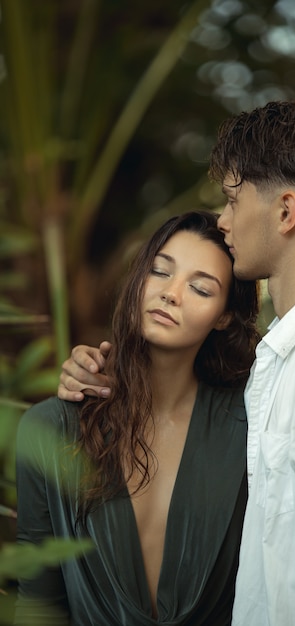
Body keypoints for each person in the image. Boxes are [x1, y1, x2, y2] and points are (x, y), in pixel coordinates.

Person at [58, 100, 295, 626]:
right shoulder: (288, 355)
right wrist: (117, 376)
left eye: (232, 198)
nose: (223, 220)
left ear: (286, 212)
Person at [15, 210, 261, 626]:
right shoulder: (50, 429)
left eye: (200, 289)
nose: (171, 293)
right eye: (160, 272)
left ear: (223, 316)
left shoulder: (251, 426)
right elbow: (38, 602)